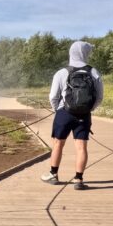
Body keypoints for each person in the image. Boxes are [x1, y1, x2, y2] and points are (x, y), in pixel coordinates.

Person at [42, 41, 103, 189]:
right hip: (84, 114)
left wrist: (58, 110)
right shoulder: (93, 72)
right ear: (85, 53)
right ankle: (78, 179)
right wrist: (88, 109)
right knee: (81, 146)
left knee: (58, 144)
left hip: (64, 112)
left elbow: (53, 96)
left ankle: (53, 174)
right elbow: (99, 97)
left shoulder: (62, 72)